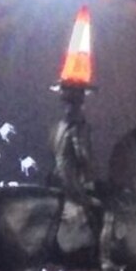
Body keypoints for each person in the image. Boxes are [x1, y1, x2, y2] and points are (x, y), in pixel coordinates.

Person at [47, 86, 101, 256]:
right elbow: (82, 154)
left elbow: (53, 150)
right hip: (71, 181)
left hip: (55, 177)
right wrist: (92, 174)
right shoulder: (79, 126)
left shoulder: (57, 126)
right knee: (99, 208)